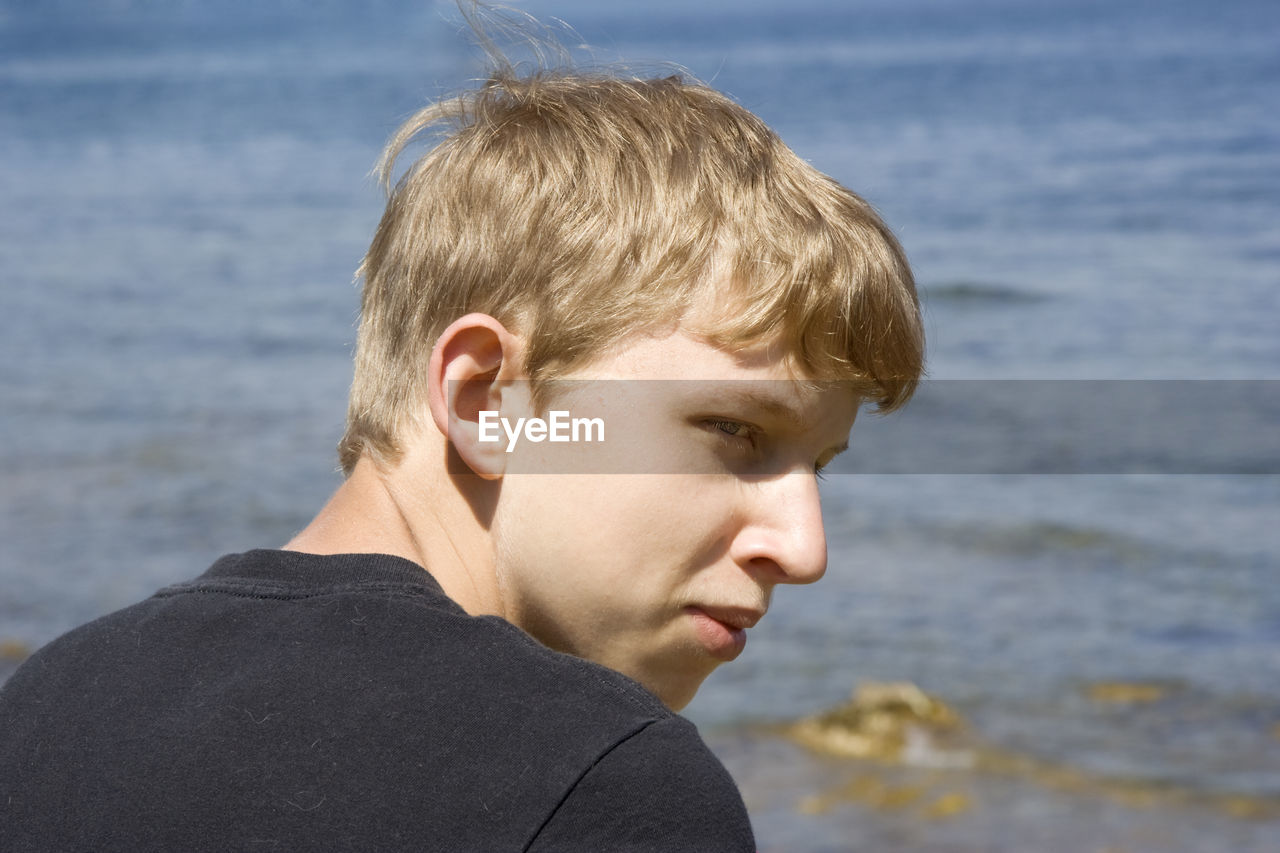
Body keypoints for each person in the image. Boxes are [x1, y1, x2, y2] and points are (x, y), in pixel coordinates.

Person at [0, 18, 924, 851]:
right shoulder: (604, 785)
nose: (805, 549)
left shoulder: (52, 700)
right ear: (487, 399)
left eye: (820, 468)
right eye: (732, 430)